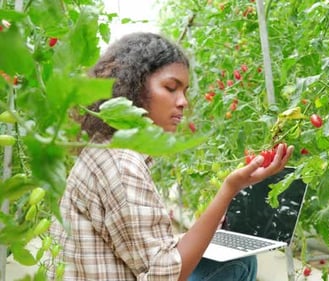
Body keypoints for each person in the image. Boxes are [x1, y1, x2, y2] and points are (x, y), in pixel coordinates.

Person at [46, 32, 293, 281]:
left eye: (184, 91)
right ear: (133, 87)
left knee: (234, 257)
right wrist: (230, 187)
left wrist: (207, 226)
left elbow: (138, 245)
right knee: (240, 264)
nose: (183, 101)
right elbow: (166, 275)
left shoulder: (105, 148)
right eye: (171, 88)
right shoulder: (122, 164)